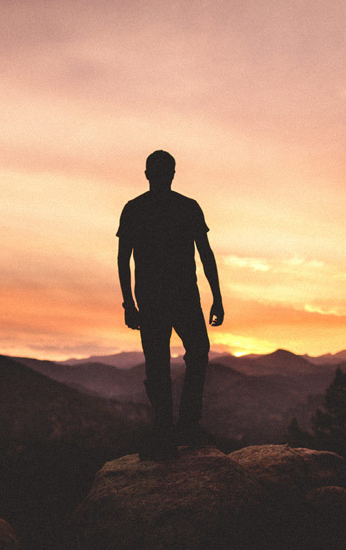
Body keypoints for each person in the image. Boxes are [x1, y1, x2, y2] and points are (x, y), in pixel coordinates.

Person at [117, 150, 224, 461]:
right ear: (155, 174)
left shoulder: (141, 208)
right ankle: (177, 427)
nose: (163, 176)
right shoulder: (175, 208)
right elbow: (205, 254)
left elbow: (205, 254)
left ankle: (176, 427)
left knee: (166, 361)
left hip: (163, 299)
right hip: (171, 299)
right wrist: (216, 296)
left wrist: (129, 303)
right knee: (179, 358)